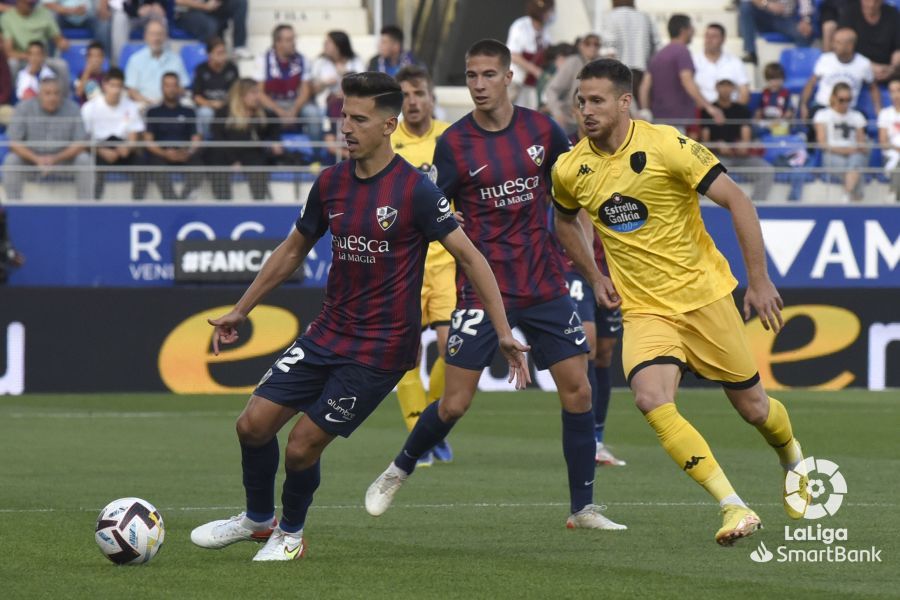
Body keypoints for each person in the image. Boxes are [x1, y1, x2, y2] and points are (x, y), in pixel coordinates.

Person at [189, 71, 529, 561]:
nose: (346, 126)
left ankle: (291, 533)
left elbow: (472, 258)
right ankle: (258, 520)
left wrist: (502, 332)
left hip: (380, 350)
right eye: (343, 115)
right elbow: (292, 250)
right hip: (327, 333)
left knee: (302, 445)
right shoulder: (330, 183)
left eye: (359, 118)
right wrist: (241, 310)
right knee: (252, 426)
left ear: (389, 124)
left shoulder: (415, 191)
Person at [365, 39, 627, 531]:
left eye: (488, 75)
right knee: (456, 402)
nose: (479, 85)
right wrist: (446, 217)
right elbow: (430, 210)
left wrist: (594, 275)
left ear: (510, 77)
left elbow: (571, 206)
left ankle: (582, 508)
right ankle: (399, 468)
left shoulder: (543, 131)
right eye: (471, 76)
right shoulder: (454, 144)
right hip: (481, 291)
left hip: (544, 283)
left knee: (579, 392)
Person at [552, 58, 810, 545]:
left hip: (706, 298)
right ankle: (732, 506)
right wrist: (593, 271)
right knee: (651, 398)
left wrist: (758, 280)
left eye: (597, 101)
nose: (586, 110)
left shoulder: (666, 144)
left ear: (624, 102)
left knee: (755, 409)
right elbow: (564, 221)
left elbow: (739, 200)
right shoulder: (571, 167)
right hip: (646, 310)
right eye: (581, 101)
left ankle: (792, 457)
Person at [389, 64, 454, 466]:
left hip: (446, 260)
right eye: (406, 96)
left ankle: (432, 425)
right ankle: (419, 436)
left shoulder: (451, 138)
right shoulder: (385, 138)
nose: (413, 102)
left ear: (431, 97)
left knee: (453, 348)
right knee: (408, 354)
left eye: (419, 94)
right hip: (404, 262)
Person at [3, 77, 92, 200]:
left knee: (84, 159)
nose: (52, 97)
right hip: (31, 162)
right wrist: (37, 159)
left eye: (56, 93)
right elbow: (13, 142)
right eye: (47, 93)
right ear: (39, 95)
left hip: (63, 161)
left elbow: (80, 143)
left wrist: (55, 159)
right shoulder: (23, 108)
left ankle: (85, 207)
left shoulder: (73, 109)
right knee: (11, 160)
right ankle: (13, 207)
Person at [639, 14, 724, 131]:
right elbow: (687, 80)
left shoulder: (658, 55)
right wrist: (709, 107)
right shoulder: (682, 52)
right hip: (676, 120)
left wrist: (645, 111)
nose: (694, 31)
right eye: (691, 28)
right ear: (684, 30)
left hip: (657, 119)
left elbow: (644, 86)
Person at [701, 78, 774, 202]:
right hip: (718, 159)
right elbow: (705, 141)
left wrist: (743, 145)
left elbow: (746, 136)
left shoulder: (742, 110)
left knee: (766, 170)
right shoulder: (708, 111)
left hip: (741, 158)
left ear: (734, 88)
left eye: (728, 85)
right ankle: (706, 210)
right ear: (716, 87)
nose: (725, 89)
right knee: (702, 174)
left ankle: (756, 207)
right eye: (722, 85)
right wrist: (717, 145)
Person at [210, 77, 283, 201]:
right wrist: (233, 160)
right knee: (216, 159)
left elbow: (275, 123)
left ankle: (260, 202)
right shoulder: (224, 113)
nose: (257, 97)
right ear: (241, 95)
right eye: (253, 93)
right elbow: (219, 138)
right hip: (227, 153)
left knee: (258, 163)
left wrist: (275, 141)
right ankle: (223, 202)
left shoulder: (262, 113)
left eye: (258, 92)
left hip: (251, 153)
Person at [81, 67, 144, 199]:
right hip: (99, 148)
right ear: (104, 85)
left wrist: (128, 147)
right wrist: (102, 151)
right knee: (92, 165)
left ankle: (137, 204)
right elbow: (84, 138)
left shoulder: (131, 106)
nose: (115, 90)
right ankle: (95, 205)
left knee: (141, 162)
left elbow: (134, 137)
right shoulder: (90, 107)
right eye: (112, 85)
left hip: (122, 148)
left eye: (119, 86)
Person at [137, 72, 202, 200]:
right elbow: (148, 141)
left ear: (179, 88)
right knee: (157, 167)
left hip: (184, 153)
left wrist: (188, 152)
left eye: (174, 85)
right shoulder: (153, 112)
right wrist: (165, 153)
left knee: (199, 167)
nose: (171, 89)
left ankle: (183, 199)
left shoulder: (189, 111)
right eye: (167, 85)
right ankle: (171, 201)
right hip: (161, 154)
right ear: (162, 88)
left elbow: (196, 138)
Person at [799, 27, 879, 123]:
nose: (833, 45)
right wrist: (803, 104)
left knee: (861, 120)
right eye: (834, 41)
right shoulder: (825, 59)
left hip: (849, 110)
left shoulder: (863, 63)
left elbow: (873, 88)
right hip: (823, 107)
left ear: (850, 45)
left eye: (838, 42)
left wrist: (878, 109)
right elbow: (811, 83)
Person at [259, 24, 321, 139]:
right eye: (289, 40)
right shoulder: (262, 60)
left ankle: (316, 154)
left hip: (296, 103)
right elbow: (259, 93)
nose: (293, 43)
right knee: (260, 113)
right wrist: (280, 112)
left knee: (313, 113)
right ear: (277, 43)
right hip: (272, 103)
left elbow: (305, 91)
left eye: (294, 39)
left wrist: (294, 110)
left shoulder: (303, 59)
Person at [814, 82, 869, 202]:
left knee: (856, 162)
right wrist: (846, 150)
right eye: (841, 99)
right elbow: (822, 143)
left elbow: (861, 143)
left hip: (853, 155)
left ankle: (846, 197)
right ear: (833, 98)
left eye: (848, 100)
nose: (845, 103)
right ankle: (856, 198)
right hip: (832, 154)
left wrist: (853, 150)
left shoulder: (857, 116)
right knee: (855, 169)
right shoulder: (822, 115)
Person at [600, 0, 660, 107]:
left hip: (619, 73)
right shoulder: (644, 17)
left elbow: (610, 50)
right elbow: (656, 46)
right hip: (642, 73)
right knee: (642, 115)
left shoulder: (611, 17)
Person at [1, 0, 70, 91]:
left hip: (43, 58)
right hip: (22, 59)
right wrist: (29, 56)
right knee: (11, 64)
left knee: (62, 65)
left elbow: (58, 39)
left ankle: (63, 98)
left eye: (33, 3)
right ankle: (12, 96)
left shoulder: (44, 13)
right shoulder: (7, 18)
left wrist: (63, 43)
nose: (31, 6)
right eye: (28, 3)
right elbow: (9, 52)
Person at [124, 18, 189, 108]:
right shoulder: (135, 60)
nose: (156, 38)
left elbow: (182, 87)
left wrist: (164, 102)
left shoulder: (176, 59)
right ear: (145, 37)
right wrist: (148, 103)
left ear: (165, 37)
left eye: (160, 34)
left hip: (170, 104)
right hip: (143, 104)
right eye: (152, 34)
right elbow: (131, 90)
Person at [545, 34, 600, 135]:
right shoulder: (573, 62)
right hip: (572, 120)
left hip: (596, 118)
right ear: (581, 46)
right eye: (588, 43)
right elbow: (552, 89)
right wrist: (558, 113)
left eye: (596, 44)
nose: (592, 47)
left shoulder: (602, 64)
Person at [506, 0, 554, 109]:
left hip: (534, 85)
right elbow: (513, 55)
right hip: (517, 81)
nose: (551, 14)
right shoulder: (520, 26)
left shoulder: (546, 30)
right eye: (548, 11)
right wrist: (535, 70)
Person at [839, 0, 900, 83]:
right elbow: (843, 46)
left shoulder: (892, 13)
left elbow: (898, 46)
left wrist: (893, 67)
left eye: (876, 1)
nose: (871, 5)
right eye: (868, 1)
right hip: (857, 67)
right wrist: (868, 65)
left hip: (888, 69)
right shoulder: (850, 12)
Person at [738, 0, 814, 65]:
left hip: (785, 18)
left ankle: (802, 67)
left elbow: (805, 3)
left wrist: (806, 20)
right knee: (745, 6)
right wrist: (767, 4)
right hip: (763, 16)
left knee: (803, 33)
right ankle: (751, 53)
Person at [191, 36, 238, 138]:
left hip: (228, 106)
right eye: (219, 53)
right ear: (209, 54)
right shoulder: (201, 69)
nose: (223, 56)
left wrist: (224, 104)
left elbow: (237, 93)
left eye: (224, 52)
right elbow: (196, 97)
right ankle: (209, 143)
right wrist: (211, 104)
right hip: (208, 106)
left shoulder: (232, 68)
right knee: (205, 113)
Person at [692, 23, 750, 106]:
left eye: (714, 36)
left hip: (730, 112)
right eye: (707, 36)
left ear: (723, 39)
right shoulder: (693, 61)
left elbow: (744, 92)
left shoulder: (735, 62)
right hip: (702, 112)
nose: (709, 40)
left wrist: (736, 111)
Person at [174, 0, 250, 60]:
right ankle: (212, 54)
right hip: (187, 12)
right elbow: (178, 1)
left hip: (209, 6)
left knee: (240, 2)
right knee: (210, 25)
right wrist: (205, 6)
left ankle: (239, 47)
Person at [755, 62, 794, 136]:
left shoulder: (786, 93)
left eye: (778, 79)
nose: (775, 82)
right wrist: (757, 118)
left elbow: (789, 112)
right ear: (767, 80)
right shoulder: (764, 93)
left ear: (783, 79)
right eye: (772, 79)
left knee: (784, 126)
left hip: (780, 121)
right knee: (756, 128)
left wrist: (780, 120)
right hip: (767, 122)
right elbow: (759, 110)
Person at [877, 76, 900, 201]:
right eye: (892, 91)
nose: (896, 95)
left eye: (899, 90)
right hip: (891, 154)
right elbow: (883, 142)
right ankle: (894, 195)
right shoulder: (885, 114)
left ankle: (893, 194)